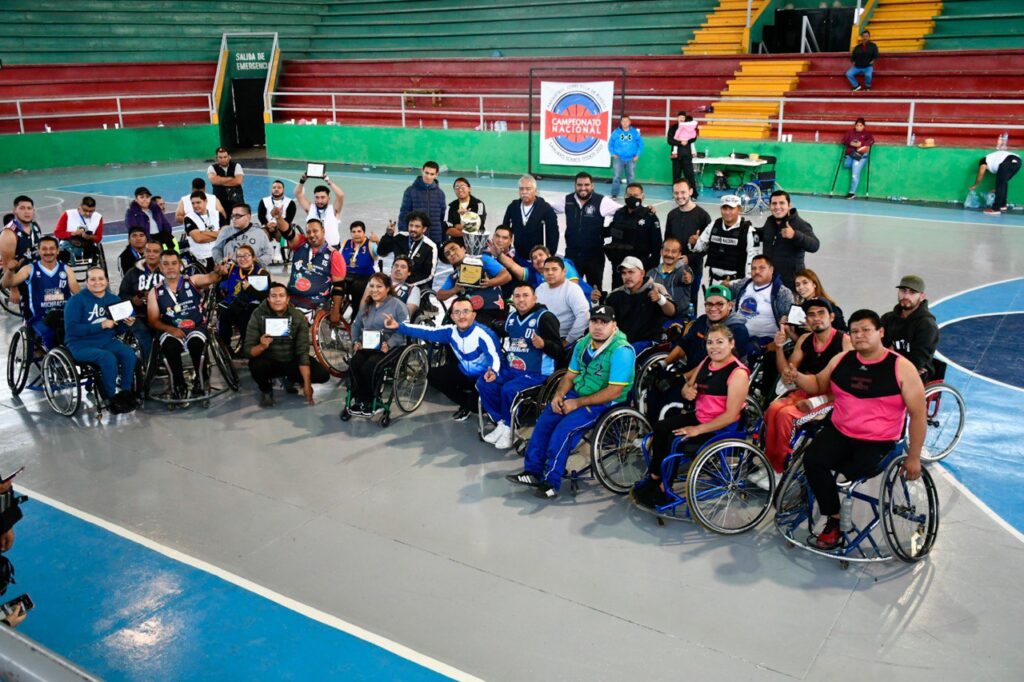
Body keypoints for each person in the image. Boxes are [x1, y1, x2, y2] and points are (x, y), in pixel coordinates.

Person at [793, 309, 926, 550]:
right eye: (854, 331)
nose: (859, 335)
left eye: (866, 330)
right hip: (840, 431)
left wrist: (914, 456)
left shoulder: (901, 368)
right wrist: (796, 376)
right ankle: (833, 519)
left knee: (850, 472)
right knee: (813, 461)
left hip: (879, 440)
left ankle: (836, 502)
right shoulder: (842, 360)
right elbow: (818, 385)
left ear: (880, 332)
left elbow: (918, 415)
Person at [505, 305, 635, 500]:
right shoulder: (583, 344)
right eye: (594, 322)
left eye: (604, 322)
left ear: (614, 325)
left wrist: (577, 403)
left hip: (606, 402)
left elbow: (613, 391)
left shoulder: (621, 351)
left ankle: (551, 482)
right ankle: (533, 472)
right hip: (578, 394)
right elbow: (569, 376)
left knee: (563, 431)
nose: (598, 327)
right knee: (544, 421)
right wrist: (559, 395)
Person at [632, 325, 749, 509]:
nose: (714, 347)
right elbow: (689, 385)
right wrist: (687, 390)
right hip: (702, 416)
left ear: (731, 343)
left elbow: (730, 415)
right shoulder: (706, 362)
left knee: (674, 439)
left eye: (720, 342)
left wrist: (697, 430)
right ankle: (655, 477)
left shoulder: (738, 373)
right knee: (661, 427)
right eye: (710, 342)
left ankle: (665, 489)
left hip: (722, 427)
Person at [760, 297, 852, 480]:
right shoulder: (804, 339)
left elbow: (847, 387)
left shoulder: (844, 342)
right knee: (773, 409)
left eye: (821, 313)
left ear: (831, 317)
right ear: (807, 320)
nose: (816, 318)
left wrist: (818, 400)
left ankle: (781, 469)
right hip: (805, 389)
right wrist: (778, 349)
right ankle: (771, 464)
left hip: (831, 398)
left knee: (787, 416)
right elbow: (787, 372)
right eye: (811, 315)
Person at [384, 296, 502, 421]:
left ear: (473, 315)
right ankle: (469, 405)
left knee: (485, 385)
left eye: (466, 311)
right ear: (452, 317)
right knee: (434, 375)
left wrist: (493, 371)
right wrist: (399, 326)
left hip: (486, 376)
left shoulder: (485, 334)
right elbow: (426, 331)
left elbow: (496, 358)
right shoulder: (450, 331)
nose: (461, 316)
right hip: (465, 372)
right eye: (457, 312)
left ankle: (483, 405)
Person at [644, 284, 750, 422]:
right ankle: (652, 429)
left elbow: (712, 364)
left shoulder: (738, 330)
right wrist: (663, 364)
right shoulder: (701, 321)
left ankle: (668, 431)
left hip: (717, 378)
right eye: (709, 304)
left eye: (719, 304)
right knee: (656, 380)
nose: (713, 308)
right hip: (692, 369)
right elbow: (683, 345)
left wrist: (682, 378)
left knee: (671, 391)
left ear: (730, 305)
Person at [479, 282, 565, 449]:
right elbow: (499, 331)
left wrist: (544, 344)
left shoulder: (545, 317)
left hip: (536, 373)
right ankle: (501, 423)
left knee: (509, 389)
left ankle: (511, 429)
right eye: (517, 296)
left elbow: (560, 352)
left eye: (526, 295)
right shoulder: (511, 317)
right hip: (512, 369)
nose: (521, 299)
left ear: (534, 298)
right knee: (484, 382)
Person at [146, 250, 223, 400]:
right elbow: (153, 320)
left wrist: (217, 271)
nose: (170, 267)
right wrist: (170, 329)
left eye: (174, 263)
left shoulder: (192, 280)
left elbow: (210, 277)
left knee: (196, 344)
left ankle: (201, 379)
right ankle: (179, 383)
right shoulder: (154, 292)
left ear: (180, 265)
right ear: (160, 268)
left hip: (195, 326)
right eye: (165, 264)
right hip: (171, 328)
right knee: (170, 347)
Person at [64, 266, 139, 414]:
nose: (97, 282)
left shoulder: (114, 299)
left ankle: (125, 394)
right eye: (92, 279)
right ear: (86, 281)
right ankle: (110, 398)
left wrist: (127, 325)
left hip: (106, 341)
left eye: (101, 278)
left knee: (129, 353)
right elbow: (72, 330)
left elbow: (118, 330)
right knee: (107, 358)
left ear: (107, 281)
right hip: (80, 344)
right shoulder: (76, 301)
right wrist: (101, 325)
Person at [244, 282, 330, 408]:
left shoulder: (298, 317)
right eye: (273, 296)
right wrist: (262, 346)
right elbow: (247, 350)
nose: (278, 299)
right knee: (256, 365)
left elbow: (302, 352)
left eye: (281, 296)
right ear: (268, 298)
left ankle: (291, 379)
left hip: (291, 360)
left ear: (288, 299)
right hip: (269, 361)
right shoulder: (258, 314)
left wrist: (307, 384)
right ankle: (266, 390)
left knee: (322, 375)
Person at [347, 273, 410, 416]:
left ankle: (372, 400)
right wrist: (356, 341)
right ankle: (359, 400)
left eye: (379, 286)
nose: (374, 290)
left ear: (388, 288)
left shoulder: (398, 306)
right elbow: (356, 325)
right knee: (354, 364)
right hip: (370, 344)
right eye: (372, 286)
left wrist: (389, 343)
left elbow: (404, 330)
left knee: (371, 366)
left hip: (393, 345)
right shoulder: (367, 305)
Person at [2, 236, 79, 349]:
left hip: (63, 314)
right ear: (39, 251)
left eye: (52, 248)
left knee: (78, 331)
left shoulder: (66, 269)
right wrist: (10, 271)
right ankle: (53, 360)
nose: (48, 252)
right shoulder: (30, 269)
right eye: (44, 249)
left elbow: (77, 291)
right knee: (50, 334)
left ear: (57, 250)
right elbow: (6, 283)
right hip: (38, 317)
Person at [552, 171, 619, 291]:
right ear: (575, 186)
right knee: (570, 288)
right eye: (580, 185)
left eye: (587, 185)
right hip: (572, 255)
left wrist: (608, 230)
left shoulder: (601, 201)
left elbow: (622, 211)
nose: (583, 188)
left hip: (594, 256)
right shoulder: (567, 200)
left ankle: (598, 309)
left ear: (592, 186)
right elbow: (550, 209)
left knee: (596, 289)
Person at [279, 218, 347, 322]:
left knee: (295, 322)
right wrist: (278, 217)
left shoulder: (334, 255)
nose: (311, 235)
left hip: (315, 303)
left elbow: (339, 287)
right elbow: (288, 233)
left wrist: (336, 311)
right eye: (308, 232)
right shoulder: (300, 244)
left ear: (323, 231)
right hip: (291, 298)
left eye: (315, 231)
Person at [437, 237, 510, 332]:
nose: (451, 254)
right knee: (448, 331)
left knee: (474, 329)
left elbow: (506, 276)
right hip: (465, 312)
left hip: (489, 309)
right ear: (447, 260)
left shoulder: (483, 260)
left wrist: (490, 282)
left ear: (463, 249)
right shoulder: (453, 276)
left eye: (453, 249)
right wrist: (454, 290)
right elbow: (439, 295)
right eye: (447, 254)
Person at [689, 194, 761, 285]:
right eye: (724, 208)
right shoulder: (714, 225)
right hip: (713, 281)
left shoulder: (749, 231)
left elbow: (753, 260)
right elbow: (700, 247)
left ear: (739, 209)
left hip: (736, 283)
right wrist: (693, 243)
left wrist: (746, 285)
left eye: (731, 208)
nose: (727, 212)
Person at [880, 275, 940, 381]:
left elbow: (916, 363)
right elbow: (875, 347)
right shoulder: (887, 318)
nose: (906, 296)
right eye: (903, 290)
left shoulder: (927, 325)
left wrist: (889, 352)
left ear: (922, 296)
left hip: (915, 376)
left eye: (912, 292)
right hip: (888, 367)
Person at [604, 256, 674, 344]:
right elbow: (605, 320)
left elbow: (672, 312)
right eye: (624, 273)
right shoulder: (614, 295)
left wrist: (660, 299)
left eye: (631, 272)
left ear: (642, 273)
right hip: (621, 342)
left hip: (648, 343)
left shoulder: (656, 288)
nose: (627, 276)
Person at [665, 178, 712, 310]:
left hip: (694, 269)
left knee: (690, 303)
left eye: (683, 192)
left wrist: (689, 258)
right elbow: (667, 241)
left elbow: (708, 247)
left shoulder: (703, 216)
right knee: (672, 301)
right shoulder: (672, 215)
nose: (679, 196)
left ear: (691, 192)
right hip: (672, 269)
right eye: (676, 193)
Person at [604, 182, 661, 289]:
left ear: (642, 197)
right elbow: (610, 231)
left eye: (636, 196)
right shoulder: (619, 214)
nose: (632, 198)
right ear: (625, 196)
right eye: (629, 195)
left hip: (639, 268)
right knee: (617, 295)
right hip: (619, 267)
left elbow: (657, 245)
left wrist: (647, 268)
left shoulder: (649, 217)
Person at [760, 190, 819, 290]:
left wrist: (795, 235)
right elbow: (764, 234)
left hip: (791, 283)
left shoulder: (799, 224)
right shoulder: (770, 222)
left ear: (789, 205)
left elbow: (815, 245)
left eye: (782, 203)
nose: (778, 207)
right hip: (770, 280)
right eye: (774, 203)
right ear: (769, 206)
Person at [216, 244, 269, 352]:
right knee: (224, 317)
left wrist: (250, 289)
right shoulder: (231, 269)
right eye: (239, 256)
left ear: (253, 257)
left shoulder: (261, 273)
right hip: (234, 303)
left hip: (253, 305)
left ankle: (247, 347)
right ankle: (226, 347)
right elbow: (220, 288)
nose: (242, 259)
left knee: (244, 319)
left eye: (246, 255)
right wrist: (222, 274)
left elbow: (265, 297)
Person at [117, 238, 164, 358]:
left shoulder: (168, 271)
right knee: (143, 332)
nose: (151, 254)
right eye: (148, 251)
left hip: (165, 312)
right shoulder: (132, 273)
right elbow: (122, 295)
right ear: (144, 253)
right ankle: (152, 366)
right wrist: (134, 300)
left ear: (161, 254)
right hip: (139, 314)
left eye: (155, 251)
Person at [502, 175, 559, 266]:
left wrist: (549, 255)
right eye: (521, 189)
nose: (524, 192)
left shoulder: (545, 209)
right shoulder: (513, 206)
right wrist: (506, 248)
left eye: (528, 189)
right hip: (518, 256)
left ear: (535, 191)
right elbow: (505, 228)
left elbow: (553, 235)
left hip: (537, 260)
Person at [534, 256, 591, 345]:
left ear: (564, 271)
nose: (550, 273)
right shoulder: (539, 289)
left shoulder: (573, 289)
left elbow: (584, 316)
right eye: (546, 270)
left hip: (564, 340)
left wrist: (568, 341)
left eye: (554, 269)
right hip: (541, 340)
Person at [377, 211, 438, 289]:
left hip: (418, 286)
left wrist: (408, 285)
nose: (413, 229)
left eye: (417, 226)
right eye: (411, 225)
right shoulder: (400, 237)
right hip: (396, 282)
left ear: (424, 229)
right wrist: (389, 235)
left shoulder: (430, 246)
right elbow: (381, 252)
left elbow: (429, 275)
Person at [1, 196, 43, 308]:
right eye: (22, 208)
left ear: (33, 210)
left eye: (29, 208)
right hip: (22, 280)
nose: (27, 212)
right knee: (29, 313)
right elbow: (7, 265)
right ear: (15, 210)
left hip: (37, 276)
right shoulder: (8, 234)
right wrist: (14, 289)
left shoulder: (35, 227)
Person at [788, 269, 847, 338]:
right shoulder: (798, 310)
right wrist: (788, 328)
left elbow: (843, 333)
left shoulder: (829, 306)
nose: (801, 287)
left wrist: (815, 329)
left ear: (814, 284)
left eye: (805, 283)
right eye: (797, 285)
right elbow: (799, 341)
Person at [398, 161, 447, 245]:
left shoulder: (440, 193)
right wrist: (403, 234)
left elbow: (441, 217)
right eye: (426, 173)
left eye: (432, 174)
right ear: (422, 171)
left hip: (435, 237)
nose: (428, 176)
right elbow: (404, 214)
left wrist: (442, 237)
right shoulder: (410, 191)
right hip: (416, 236)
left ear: (436, 174)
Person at [647, 237, 693, 322]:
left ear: (679, 255)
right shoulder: (651, 273)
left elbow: (688, 278)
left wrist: (687, 278)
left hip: (679, 321)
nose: (669, 254)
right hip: (655, 321)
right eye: (666, 250)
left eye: (674, 252)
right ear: (661, 252)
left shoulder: (685, 270)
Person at [295, 172, 345, 248]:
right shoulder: (310, 208)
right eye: (317, 197)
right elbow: (298, 194)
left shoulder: (334, 209)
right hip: (314, 247)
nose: (319, 201)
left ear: (328, 198)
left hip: (332, 247)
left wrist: (328, 181)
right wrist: (302, 181)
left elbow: (340, 195)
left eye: (323, 197)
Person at [970, 149, 1022, 215]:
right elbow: (1003, 181)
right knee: (1003, 183)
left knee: (1001, 185)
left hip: (1008, 161)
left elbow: (981, 173)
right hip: (1018, 162)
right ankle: (1003, 205)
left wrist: (975, 185)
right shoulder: (993, 158)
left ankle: (995, 209)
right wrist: (997, 188)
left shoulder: (983, 161)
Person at [341, 221, 378, 309]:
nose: (356, 234)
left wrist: (377, 242)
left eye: (359, 231)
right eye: (353, 232)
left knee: (356, 287)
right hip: (347, 275)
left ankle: (356, 312)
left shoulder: (370, 243)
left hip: (365, 277)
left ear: (364, 232)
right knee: (336, 286)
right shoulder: (345, 243)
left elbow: (380, 253)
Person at [53, 196, 104, 262]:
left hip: (87, 245)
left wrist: (90, 237)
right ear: (79, 207)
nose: (88, 213)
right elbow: (57, 233)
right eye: (85, 210)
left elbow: (98, 237)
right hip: (69, 244)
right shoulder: (68, 214)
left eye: (91, 211)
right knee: (63, 253)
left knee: (94, 251)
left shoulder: (98, 217)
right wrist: (73, 233)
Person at [259, 179, 297, 264]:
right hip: (267, 226)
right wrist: (267, 224)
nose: (276, 189)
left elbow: (289, 218)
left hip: (282, 226)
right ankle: (266, 256)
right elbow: (261, 215)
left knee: (281, 233)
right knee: (262, 234)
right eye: (274, 187)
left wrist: (277, 225)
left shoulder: (290, 202)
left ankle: (279, 254)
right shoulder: (264, 201)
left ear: (283, 190)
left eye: (279, 187)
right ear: (271, 189)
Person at [182, 191, 221, 270]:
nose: (195, 205)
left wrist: (203, 233)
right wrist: (218, 234)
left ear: (206, 201)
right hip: (201, 258)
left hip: (219, 255)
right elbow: (198, 238)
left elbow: (226, 233)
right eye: (193, 203)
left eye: (198, 202)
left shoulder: (217, 214)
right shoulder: (188, 218)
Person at [608, 115, 644, 199]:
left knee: (630, 178)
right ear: (621, 122)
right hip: (618, 158)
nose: (625, 123)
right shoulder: (616, 132)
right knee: (616, 176)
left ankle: (631, 194)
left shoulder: (634, 132)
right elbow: (610, 144)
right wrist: (613, 153)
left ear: (630, 122)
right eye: (623, 121)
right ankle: (614, 194)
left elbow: (641, 145)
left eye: (626, 121)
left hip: (631, 158)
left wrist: (637, 155)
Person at [840, 118, 875, 199]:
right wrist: (850, 143)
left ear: (863, 126)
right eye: (857, 125)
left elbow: (872, 141)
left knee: (854, 174)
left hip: (860, 155)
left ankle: (852, 193)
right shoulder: (849, 132)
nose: (859, 127)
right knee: (846, 165)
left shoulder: (867, 134)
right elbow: (843, 141)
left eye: (861, 125)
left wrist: (861, 144)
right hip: (850, 154)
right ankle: (857, 166)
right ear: (855, 125)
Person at [667, 110, 699, 191]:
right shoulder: (673, 128)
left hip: (687, 155)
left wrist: (687, 141)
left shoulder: (688, 127)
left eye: (683, 117)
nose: (681, 118)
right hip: (676, 156)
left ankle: (694, 194)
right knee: (676, 176)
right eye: (680, 117)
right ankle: (676, 193)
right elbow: (670, 141)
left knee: (689, 176)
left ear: (685, 118)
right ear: (677, 118)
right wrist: (680, 142)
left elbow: (694, 138)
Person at [207, 147, 245, 212]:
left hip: (237, 200)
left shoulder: (237, 166)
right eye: (220, 157)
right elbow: (213, 180)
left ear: (229, 157)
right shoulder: (211, 168)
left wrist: (219, 180)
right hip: (220, 202)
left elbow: (238, 181)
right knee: (222, 221)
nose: (223, 159)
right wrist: (230, 179)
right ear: (217, 158)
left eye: (225, 157)